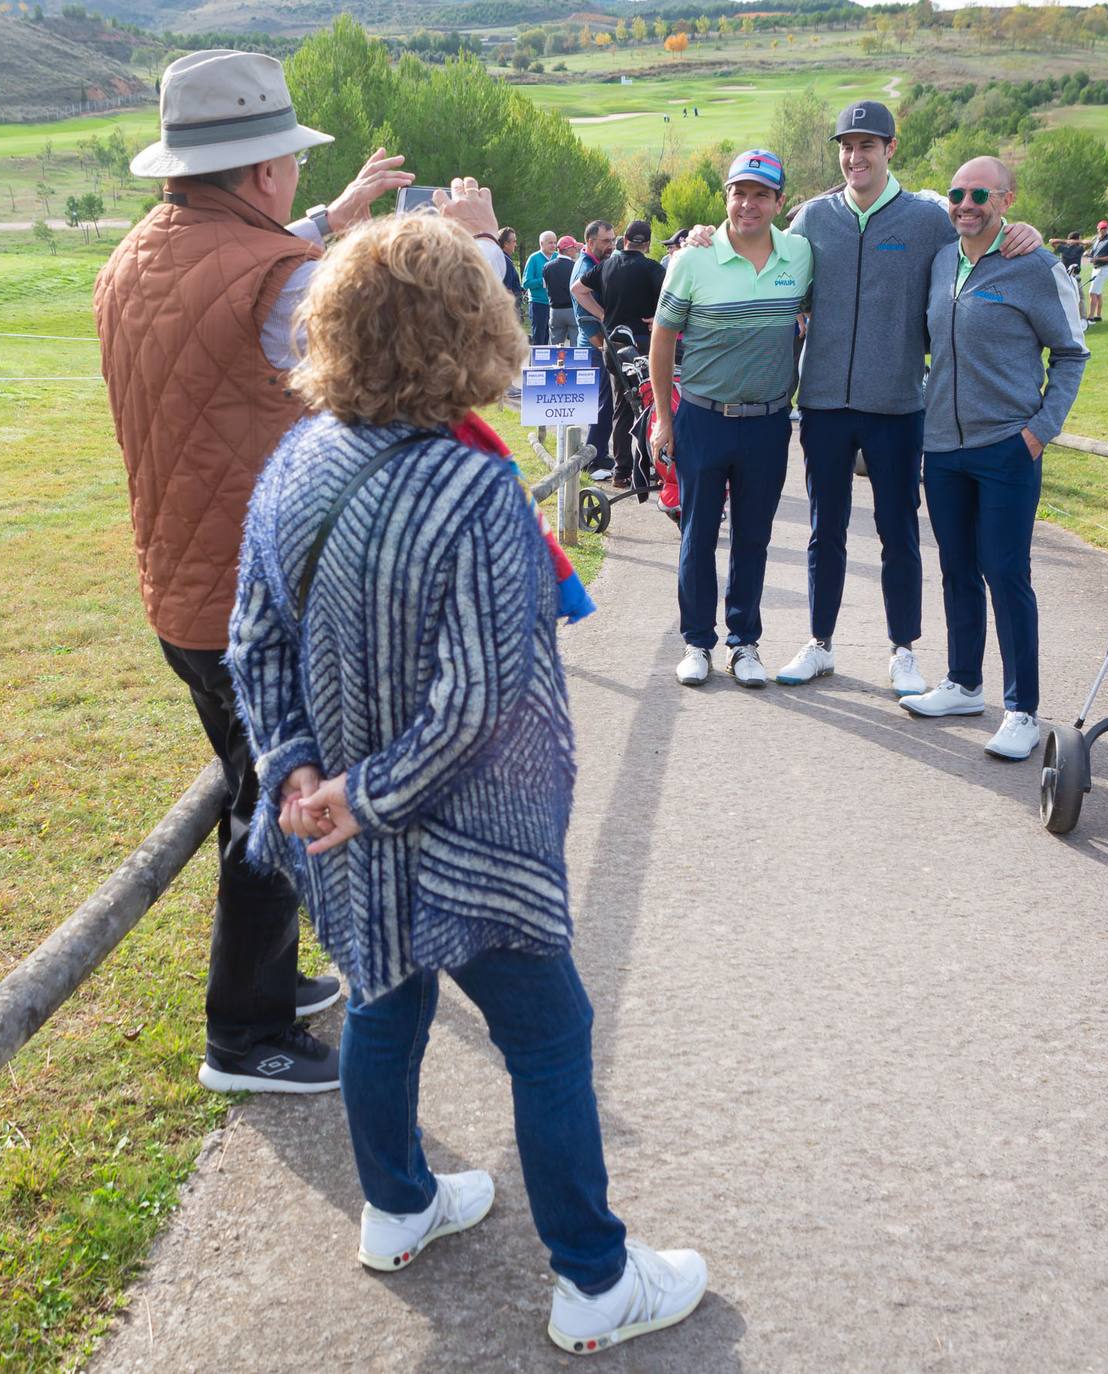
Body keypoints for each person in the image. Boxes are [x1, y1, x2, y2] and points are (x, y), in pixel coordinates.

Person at [226, 209, 708, 1357]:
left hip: (345, 828)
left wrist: (304, 775)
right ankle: (595, 1280)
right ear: (470, 330)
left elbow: (253, 645)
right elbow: (483, 701)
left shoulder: (294, 466)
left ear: (333, 329)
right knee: (548, 1035)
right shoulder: (478, 493)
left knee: (383, 999)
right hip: (464, 838)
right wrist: (364, 792)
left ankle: (397, 1207)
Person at [93, 49, 450, 1095]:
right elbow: (400, 365)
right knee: (281, 807)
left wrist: (337, 217)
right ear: (260, 173)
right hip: (267, 600)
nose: (292, 180)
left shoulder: (139, 258)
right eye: (287, 163)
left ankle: (271, 981)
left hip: (182, 587)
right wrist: (458, 253)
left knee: (254, 783)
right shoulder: (278, 280)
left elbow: (246, 275)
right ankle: (243, 1033)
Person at [710, 100, 1047, 698]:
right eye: (847, 145)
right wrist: (701, 238)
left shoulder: (927, 218)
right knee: (825, 528)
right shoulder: (813, 218)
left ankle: (903, 650)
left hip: (896, 404)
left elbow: (982, 228)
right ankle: (820, 642)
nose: (855, 156)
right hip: (822, 404)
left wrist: (1027, 230)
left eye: (868, 145)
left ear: (890, 149)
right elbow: (758, 249)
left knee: (899, 530)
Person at [901, 157, 1088, 761]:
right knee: (956, 568)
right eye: (958, 193)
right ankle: (962, 683)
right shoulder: (941, 260)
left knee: (1005, 576)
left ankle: (1022, 709)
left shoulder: (1033, 263)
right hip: (944, 447)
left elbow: (1071, 354)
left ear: (1006, 199)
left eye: (980, 194)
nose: (966, 203)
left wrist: (1040, 431)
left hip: (1007, 447)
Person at [649, 150, 813, 690]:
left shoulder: (800, 255)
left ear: (778, 203)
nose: (749, 204)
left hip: (767, 422)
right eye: (739, 193)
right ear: (727, 199)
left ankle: (744, 642)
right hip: (702, 416)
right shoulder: (692, 260)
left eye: (761, 194)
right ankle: (697, 641)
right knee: (698, 533)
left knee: (753, 537)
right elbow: (663, 339)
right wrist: (663, 419)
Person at [591, 218, 665, 484]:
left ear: (624, 241)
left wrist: (602, 313)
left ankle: (622, 472)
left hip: (614, 344)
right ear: (646, 244)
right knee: (652, 406)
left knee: (622, 406)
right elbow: (674, 297)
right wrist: (658, 316)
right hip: (644, 345)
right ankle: (653, 468)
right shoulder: (652, 268)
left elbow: (577, 289)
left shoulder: (606, 266)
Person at [567, 220, 616, 466]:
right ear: (590, 242)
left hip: (594, 344)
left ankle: (596, 453)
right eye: (606, 241)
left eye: (613, 240)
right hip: (593, 346)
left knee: (603, 403)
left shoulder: (595, 263)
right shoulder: (584, 268)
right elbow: (584, 319)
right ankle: (595, 457)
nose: (611, 246)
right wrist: (604, 348)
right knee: (603, 403)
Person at [541, 237, 580, 355]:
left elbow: (545, 286)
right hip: (572, 309)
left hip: (555, 311)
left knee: (555, 348)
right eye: (574, 248)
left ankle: (555, 370)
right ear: (568, 250)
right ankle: (573, 370)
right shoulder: (575, 266)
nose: (576, 250)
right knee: (575, 346)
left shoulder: (547, 266)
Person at [524, 229, 558, 345]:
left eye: (555, 242)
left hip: (555, 305)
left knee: (552, 338)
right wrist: (543, 281)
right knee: (539, 338)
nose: (553, 245)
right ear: (541, 243)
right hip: (538, 304)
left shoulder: (558, 257)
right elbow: (526, 283)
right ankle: (535, 362)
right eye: (550, 242)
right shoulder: (534, 258)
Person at [1086, 218, 1108, 323]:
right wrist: (1089, 254)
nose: (1103, 230)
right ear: (1098, 229)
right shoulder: (1097, 240)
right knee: (1098, 293)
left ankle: (1090, 317)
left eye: (1105, 228)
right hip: (1095, 268)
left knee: (1092, 292)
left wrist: (1097, 259)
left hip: (1102, 268)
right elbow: (1095, 253)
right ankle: (1098, 315)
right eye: (1101, 228)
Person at [1050, 229, 1087, 294]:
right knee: (1080, 298)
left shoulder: (1063, 248)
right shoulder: (1079, 249)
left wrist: (1066, 241)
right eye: (1079, 238)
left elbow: (1051, 241)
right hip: (1075, 276)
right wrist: (1076, 241)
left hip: (1064, 277)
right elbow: (1089, 243)